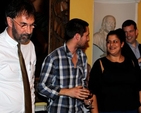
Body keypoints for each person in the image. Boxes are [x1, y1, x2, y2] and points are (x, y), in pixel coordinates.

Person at [37, 18, 91, 113]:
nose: (88, 39)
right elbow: (41, 87)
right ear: (77, 36)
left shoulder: (83, 57)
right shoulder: (54, 58)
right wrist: (68, 92)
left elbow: (83, 84)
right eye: (86, 35)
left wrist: (85, 100)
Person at [88, 28, 141, 113]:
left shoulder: (132, 63)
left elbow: (139, 89)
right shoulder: (99, 64)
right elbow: (92, 93)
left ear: (122, 44)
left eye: (115, 41)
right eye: (108, 42)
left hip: (132, 110)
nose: (111, 45)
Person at [0, 0, 36, 113]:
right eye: (23, 25)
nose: (29, 31)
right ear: (10, 21)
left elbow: (30, 84)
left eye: (32, 25)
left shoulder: (30, 46)